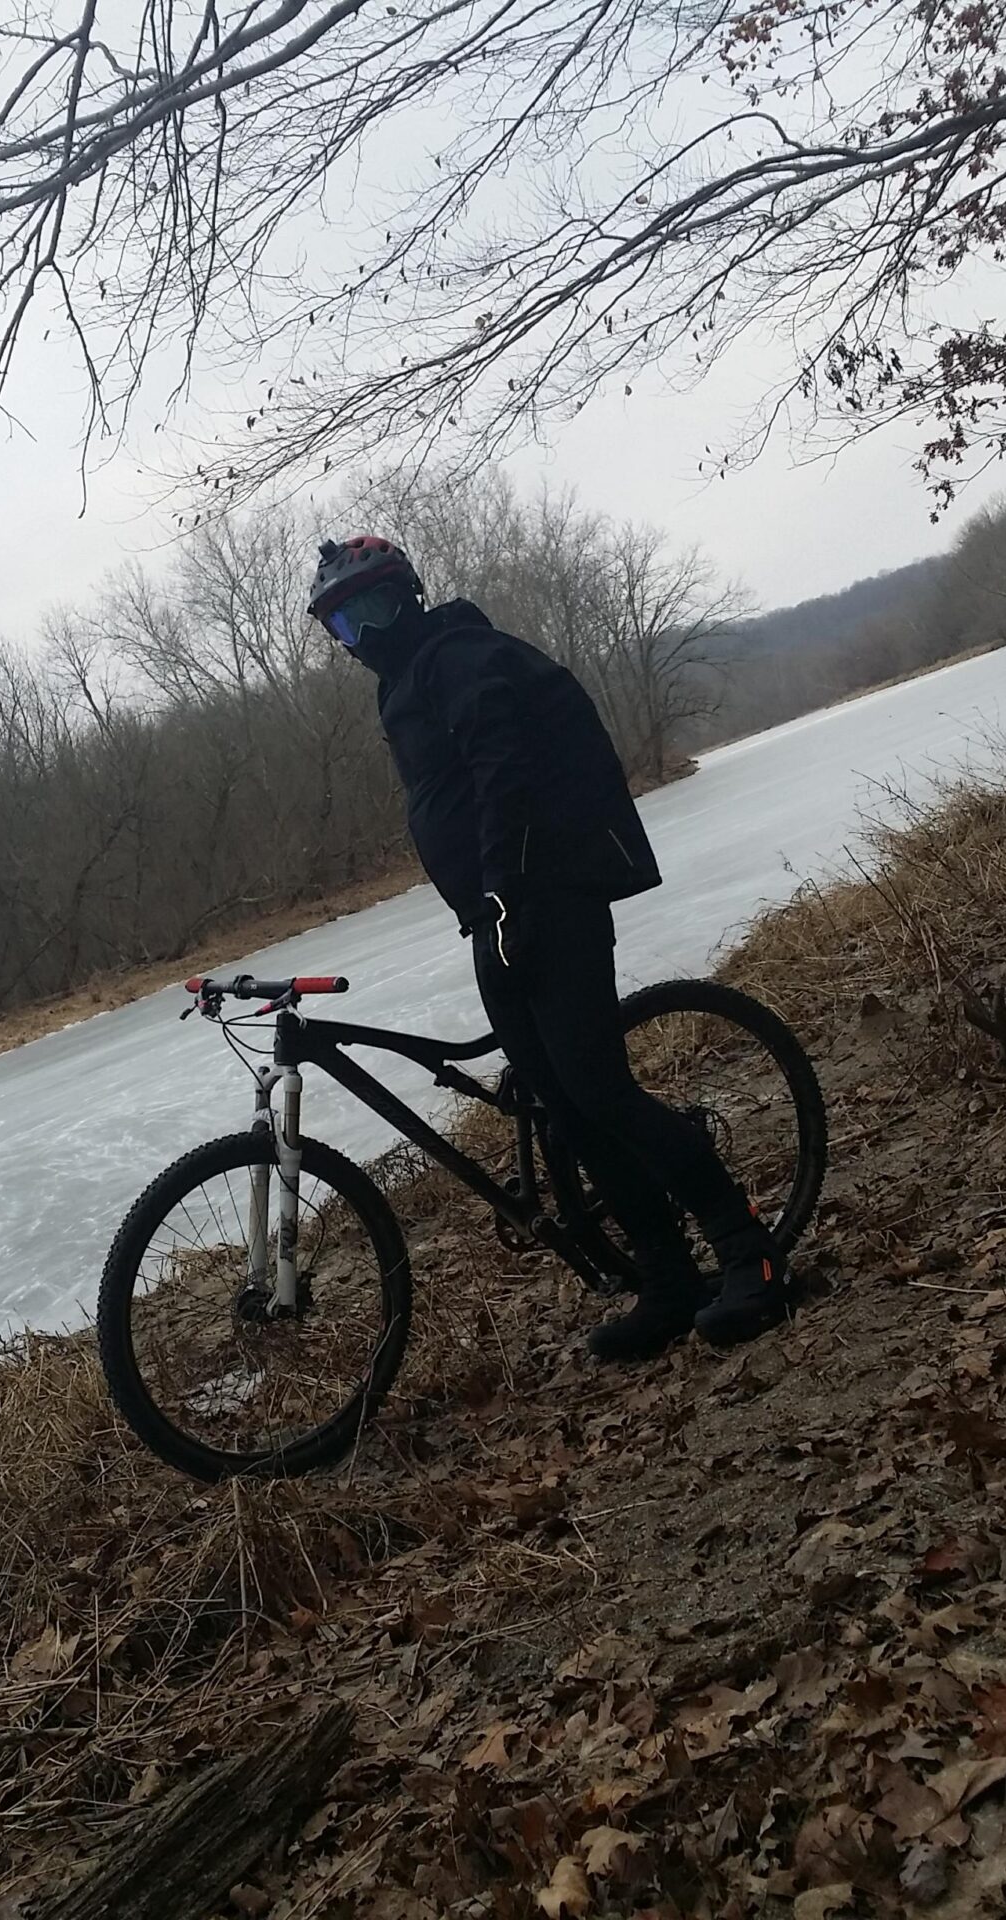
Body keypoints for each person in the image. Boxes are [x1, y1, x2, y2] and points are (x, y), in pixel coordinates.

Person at [308, 533, 794, 1360]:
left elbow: (507, 773)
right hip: (493, 919)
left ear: (411, 596)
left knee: (600, 1091)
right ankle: (669, 1281)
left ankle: (752, 1252)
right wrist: (487, 906)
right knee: (565, 1113)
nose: (365, 636)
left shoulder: (459, 655)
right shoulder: (403, 689)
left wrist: (505, 888)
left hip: (548, 901)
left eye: (375, 609)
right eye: (344, 627)